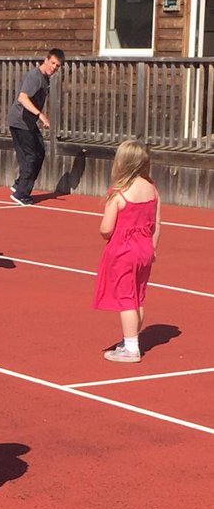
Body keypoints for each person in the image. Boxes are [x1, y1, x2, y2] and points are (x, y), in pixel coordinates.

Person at [92, 139, 160, 363]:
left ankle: (131, 347)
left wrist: (107, 234)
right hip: (144, 248)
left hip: (124, 251)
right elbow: (157, 224)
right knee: (138, 297)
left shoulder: (118, 193)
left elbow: (106, 228)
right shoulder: (152, 190)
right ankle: (131, 339)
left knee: (126, 299)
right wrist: (153, 247)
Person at [7, 48, 65, 204]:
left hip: (29, 122)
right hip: (20, 121)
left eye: (57, 66)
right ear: (46, 60)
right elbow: (22, 98)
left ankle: (20, 184)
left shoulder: (45, 79)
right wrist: (40, 115)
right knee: (30, 157)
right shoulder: (35, 77)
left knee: (40, 152)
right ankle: (21, 194)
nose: (54, 67)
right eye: (52, 63)